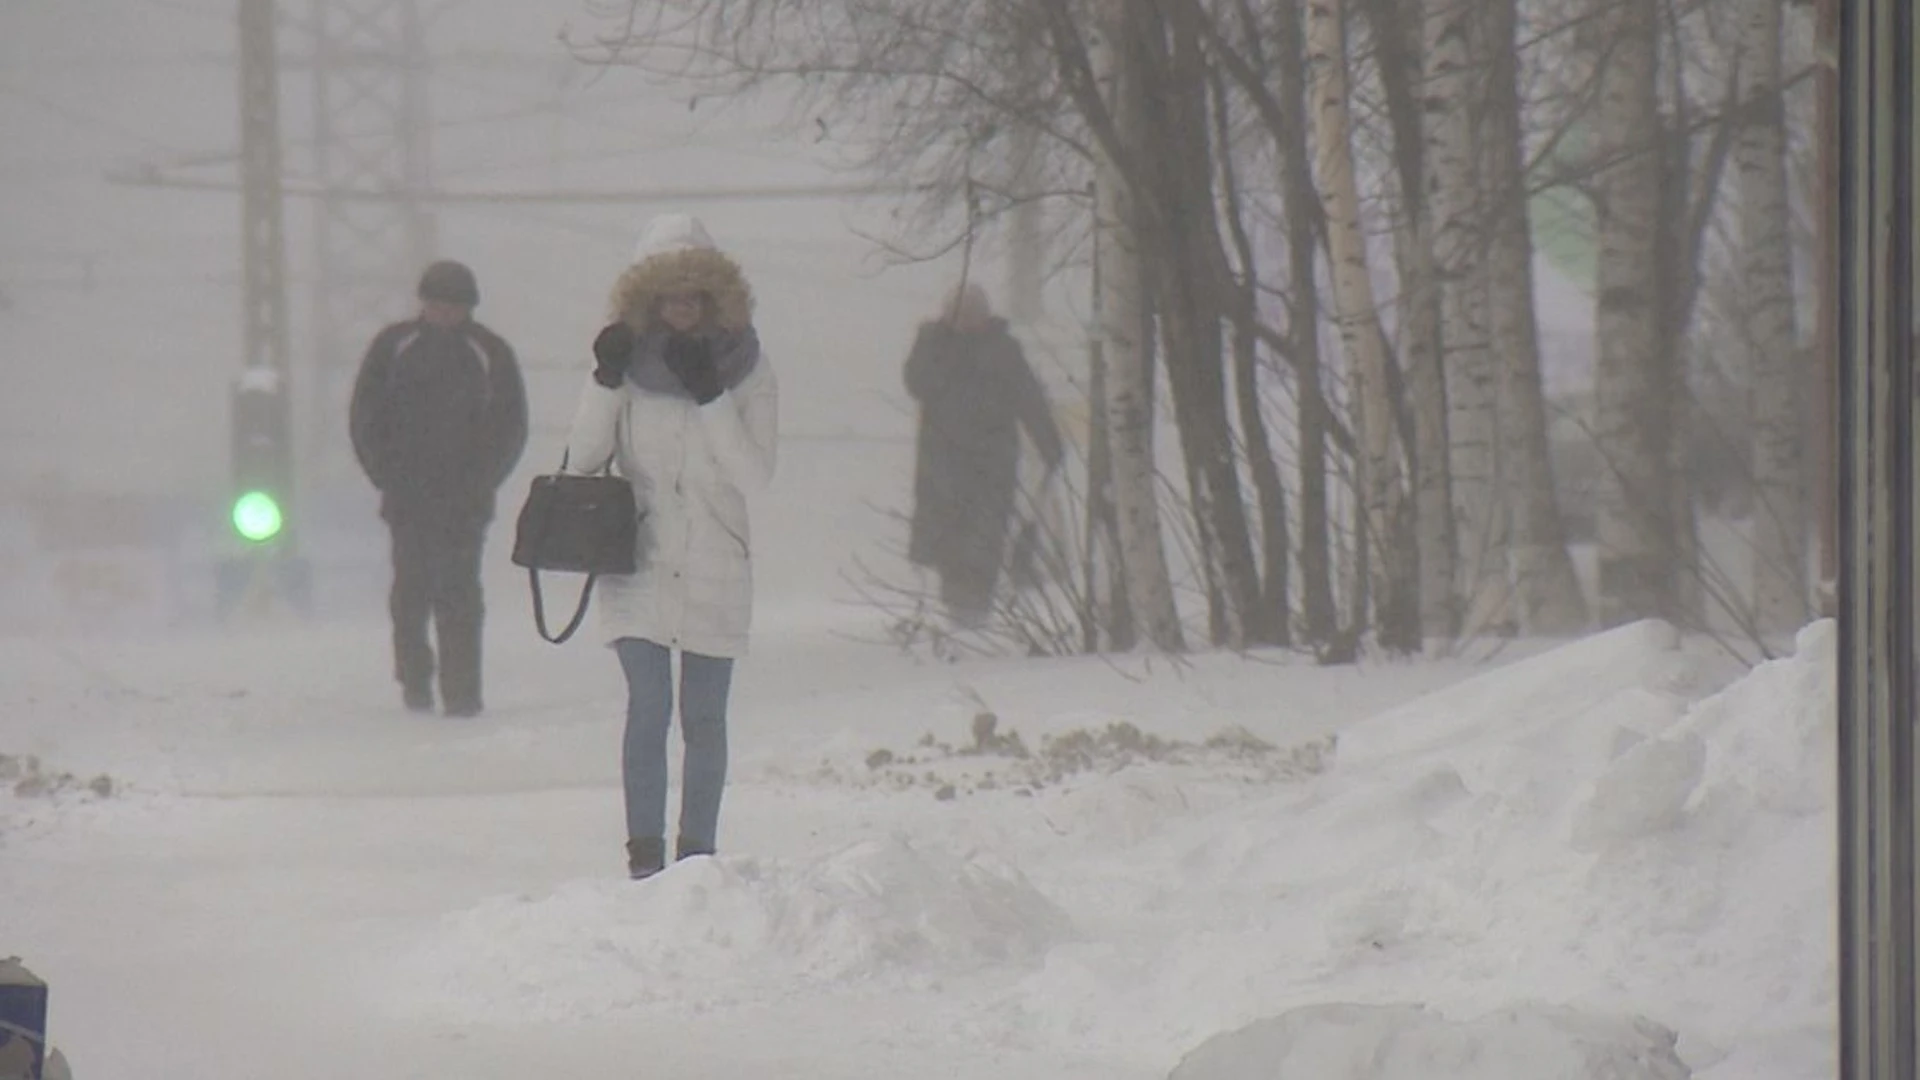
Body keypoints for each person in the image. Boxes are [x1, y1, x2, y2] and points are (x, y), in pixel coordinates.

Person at [564, 213, 778, 880]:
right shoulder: (624, 368)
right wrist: (604, 381)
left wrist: (710, 393)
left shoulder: (750, 370)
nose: (683, 310)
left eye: (695, 296)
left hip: (718, 559)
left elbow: (753, 475)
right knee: (649, 707)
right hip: (641, 559)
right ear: (648, 301)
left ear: (715, 300)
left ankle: (697, 856)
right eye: (670, 297)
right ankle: (645, 858)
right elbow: (583, 459)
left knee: (704, 718)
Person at [349, 260, 528, 718]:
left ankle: (462, 690)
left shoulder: (490, 352)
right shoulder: (393, 347)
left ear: (467, 309)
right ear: (423, 304)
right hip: (407, 495)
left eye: (453, 306)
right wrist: (386, 474)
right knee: (410, 590)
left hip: (465, 500)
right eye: (436, 304)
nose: (444, 313)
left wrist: (481, 480)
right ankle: (414, 678)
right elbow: (366, 417)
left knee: (460, 591)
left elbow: (510, 427)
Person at [904, 282, 1065, 628]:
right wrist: (939, 348)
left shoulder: (1003, 349)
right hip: (943, 463)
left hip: (993, 462)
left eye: (973, 312)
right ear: (947, 315)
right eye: (959, 313)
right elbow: (916, 383)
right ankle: (957, 606)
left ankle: (978, 607)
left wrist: (1049, 442)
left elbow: (1029, 396)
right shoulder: (933, 344)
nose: (966, 319)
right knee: (949, 536)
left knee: (987, 533)